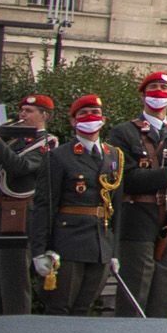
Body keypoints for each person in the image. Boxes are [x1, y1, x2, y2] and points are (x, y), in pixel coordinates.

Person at [105, 71, 167, 317]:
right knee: (136, 286)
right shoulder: (124, 132)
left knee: (163, 287)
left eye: (164, 89)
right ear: (142, 94)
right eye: (153, 88)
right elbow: (126, 178)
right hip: (139, 215)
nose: (159, 93)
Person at [0, 95, 59, 314]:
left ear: (44, 115)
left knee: (12, 279)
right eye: (21, 110)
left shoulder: (48, 142)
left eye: (28, 111)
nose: (21, 115)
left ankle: (16, 327)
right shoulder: (12, 141)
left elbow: (21, 167)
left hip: (19, 213)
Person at [50, 96, 123, 314]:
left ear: (103, 120)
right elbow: (46, 205)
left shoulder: (113, 155)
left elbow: (116, 207)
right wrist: (42, 249)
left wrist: (114, 250)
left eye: (96, 113)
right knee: (61, 307)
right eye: (83, 113)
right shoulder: (60, 156)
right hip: (69, 240)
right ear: (73, 121)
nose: (90, 117)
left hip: (100, 241)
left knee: (85, 307)